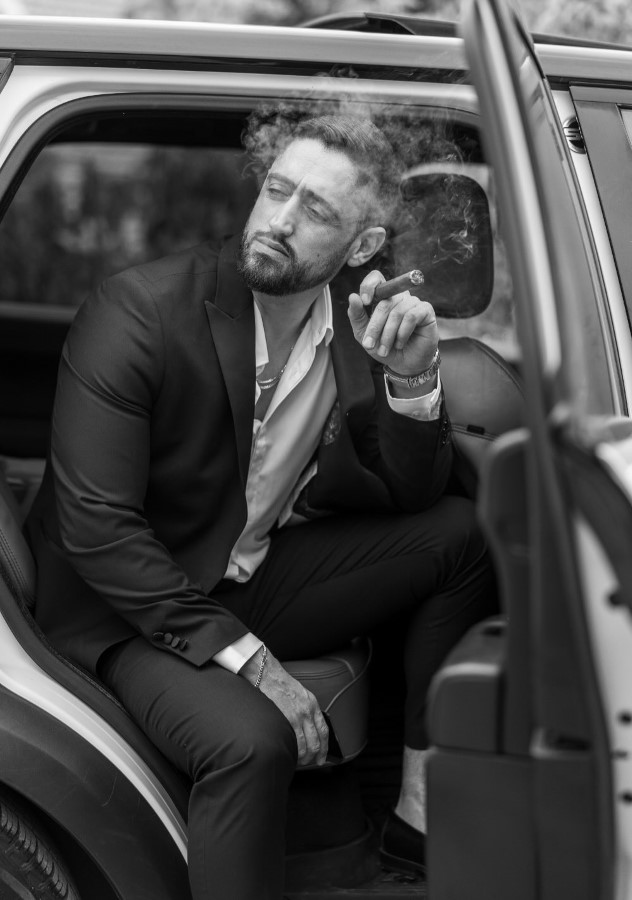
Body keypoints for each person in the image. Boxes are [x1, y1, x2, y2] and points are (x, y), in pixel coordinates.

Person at [26, 114, 497, 900]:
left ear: (362, 246)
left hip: (241, 574)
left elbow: (412, 494)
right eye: (277, 190)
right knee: (250, 741)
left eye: (315, 210)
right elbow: (97, 530)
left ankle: (417, 811)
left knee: (460, 535)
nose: (279, 219)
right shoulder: (139, 309)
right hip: (119, 608)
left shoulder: (356, 324)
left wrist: (411, 380)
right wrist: (254, 663)